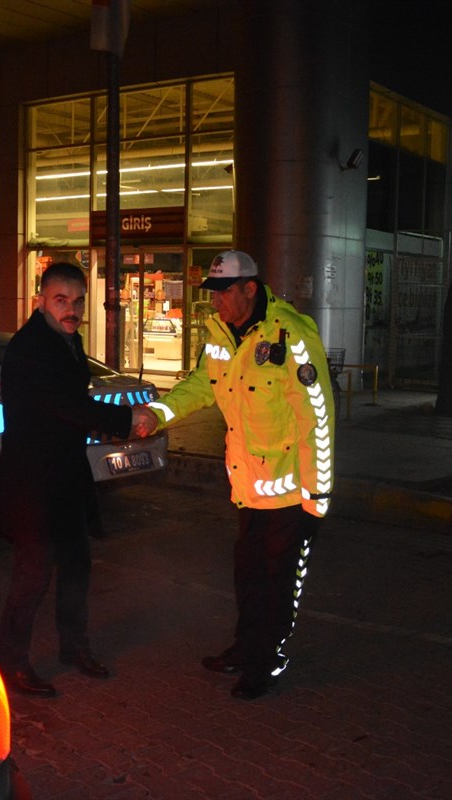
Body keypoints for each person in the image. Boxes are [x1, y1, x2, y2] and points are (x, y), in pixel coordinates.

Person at [132, 250, 336, 700]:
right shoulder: (220, 335)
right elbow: (200, 386)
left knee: (279, 583)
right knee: (248, 577)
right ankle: (246, 648)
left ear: (249, 289)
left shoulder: (291, 336)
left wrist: (317, 496)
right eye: (213, 293)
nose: (216, 301)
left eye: (224, 292)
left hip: (291, 492)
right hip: (248, 488)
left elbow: (316, 418)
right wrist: (157, 413)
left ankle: (266, 661)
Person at [0, 261, 149, 698]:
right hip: (33, 484)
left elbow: (71, 406)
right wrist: (125, 419)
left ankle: (73, 646)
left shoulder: (68, 341)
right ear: (40, 301)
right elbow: (65, 405)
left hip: (64, 478)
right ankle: (10, 661)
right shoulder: (30, 348)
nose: (72, 310)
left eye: (78, 301)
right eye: (61, 300)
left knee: (77, 566)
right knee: (33, 574)